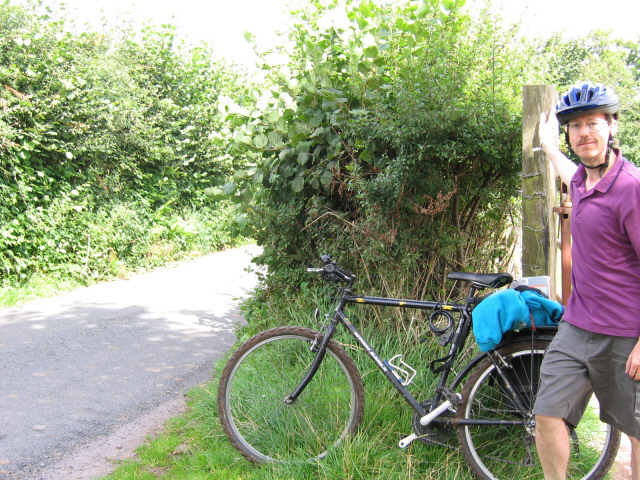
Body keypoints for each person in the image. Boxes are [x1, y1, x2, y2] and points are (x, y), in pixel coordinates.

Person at [534, 81, 640, 479]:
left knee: (635, 431)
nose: (584, 133)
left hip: (626, 333)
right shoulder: (581, 181)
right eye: (575, 126)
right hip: (577, 326)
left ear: (611, 127)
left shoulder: (631, 187)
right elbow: (566, 169)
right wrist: (547, 144)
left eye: (592, 123)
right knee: (546, 413)